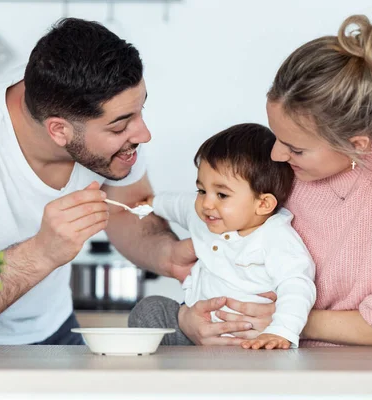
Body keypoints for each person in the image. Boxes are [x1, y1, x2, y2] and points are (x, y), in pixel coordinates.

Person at [174, 12, 372, 348]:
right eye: (276, 135)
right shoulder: (291, 169)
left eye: (296, 149)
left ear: (355, 145)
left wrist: (289, 320)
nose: (275, 155)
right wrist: (187, 315)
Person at [0, 18, 204, 345]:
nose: (144, 134)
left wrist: (168, 254)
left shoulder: (79, 101)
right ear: (59, 130)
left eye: (140, 110)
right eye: (119, 127)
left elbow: (125, 208)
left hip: (53, 329)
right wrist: (43, 251)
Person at [128, 123, 316, 349]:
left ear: (263, 203)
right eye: (202, 190)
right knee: (150, 309)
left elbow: (296, 285)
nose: (207, 203)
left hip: (247, 338)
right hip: (191, 329)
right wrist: (152, 204)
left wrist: (281, 331)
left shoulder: (275, 237)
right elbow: (179, 204)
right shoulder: (203, 215)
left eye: (222, 194)